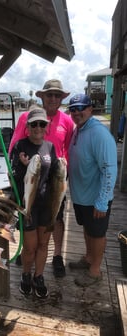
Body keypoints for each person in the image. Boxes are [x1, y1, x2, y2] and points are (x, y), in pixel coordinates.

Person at [9, 79, 74, 277]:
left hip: (55, 179)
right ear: (42, 97)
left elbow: (68, 149)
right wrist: (17, 168)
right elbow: (15, 146)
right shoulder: (25, 119)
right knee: (29, 219)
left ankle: (57, 256)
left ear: (62, 99)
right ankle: (25, 251)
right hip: (31, 175)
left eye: (57, 95)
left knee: (57, 217)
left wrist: (64, 171)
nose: (53, 98)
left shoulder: (67, 121)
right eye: (49, 94)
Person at [67, 93, 118, 287]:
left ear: (90, 109)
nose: (77, 112)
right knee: (88, 229)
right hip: (81, 196)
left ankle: (95, 271)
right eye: (73, 109)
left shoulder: (99, 133)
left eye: (81, 108)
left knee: (97, 233)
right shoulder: (79, 129)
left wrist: (102, 201)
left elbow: (110, 169)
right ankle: (88, 258)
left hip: (96, 198)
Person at [10, 107, 60, 298]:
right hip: (28, 206)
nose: (38, 127)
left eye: (42, 124)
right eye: (34, 124)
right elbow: (14, 178)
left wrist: (61, 168)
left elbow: (54, 175)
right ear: (28, 127)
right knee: (30, 246)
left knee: (43, 244)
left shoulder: (50, 147)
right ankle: (25, 275)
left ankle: (39, 276)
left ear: (46, 127)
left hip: (46, 205)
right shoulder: (20, 146)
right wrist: (23, 167)